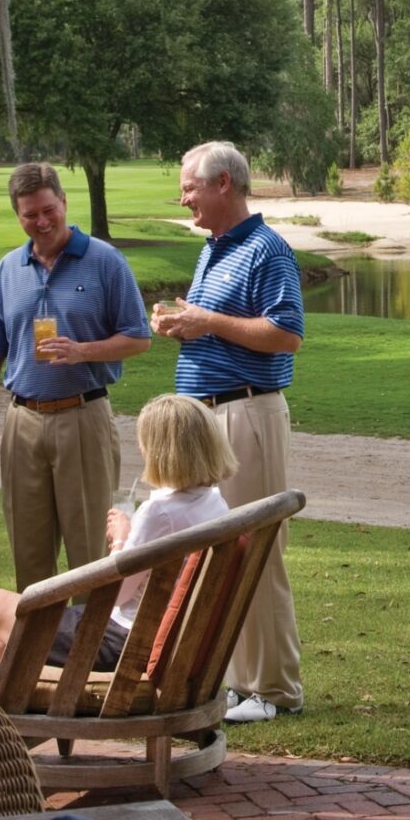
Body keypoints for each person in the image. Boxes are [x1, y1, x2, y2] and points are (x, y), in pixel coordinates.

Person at [152, 140, 304, 724]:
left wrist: (204, 320)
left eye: (189, 187)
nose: (183, 197)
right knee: (221, 556)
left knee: (256, 550)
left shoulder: (267, 250)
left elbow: (285, 334)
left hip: (246, 413)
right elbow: (220, 327)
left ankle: (275, 690)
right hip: (208, 416)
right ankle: (239, 684)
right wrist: (187, 326)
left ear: (223, 185)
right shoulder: (215, 248)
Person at [0, 162, 154, 593]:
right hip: (22, 422)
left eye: (49, 210)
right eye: (31, 215)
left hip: (83, 416)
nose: (42, 222)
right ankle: (39, 657)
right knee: (29, 556)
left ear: (64, 202)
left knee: (89, 555)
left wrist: (82, 350)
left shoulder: (105, 261)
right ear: (18, 215)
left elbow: (139, 338)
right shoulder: (9, 270)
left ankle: (91, 655)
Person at [0, 392, 237, 672]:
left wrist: (121, 538)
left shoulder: (159, 512)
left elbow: (115, 595)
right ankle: (7, 707)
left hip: (118, 642)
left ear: (163, 451)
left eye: (145, 441)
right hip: (154, 638)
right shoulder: (215, 503)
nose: (140, 447)